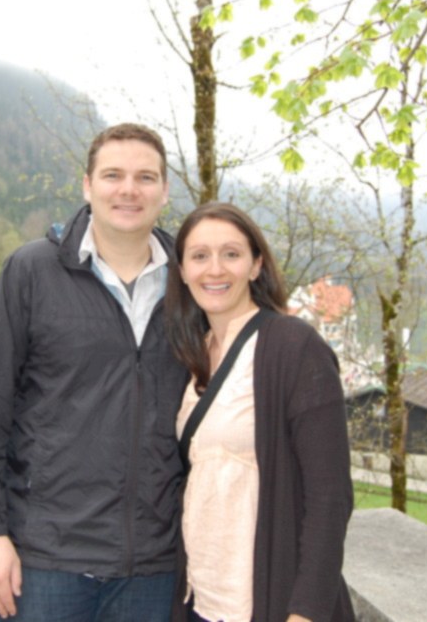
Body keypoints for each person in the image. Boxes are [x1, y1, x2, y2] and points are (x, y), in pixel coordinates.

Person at [0, 123, 189, 622]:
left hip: (157, 563)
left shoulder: (193, 285)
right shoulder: (32, 271)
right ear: (87, 185)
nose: (128, 189)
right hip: (46, 561)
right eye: (113, 175)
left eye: (145, 177)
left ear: (165, 191)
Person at [164, 202, 355, 622]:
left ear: (255, 266)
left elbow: (330, 495)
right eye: (199, 256)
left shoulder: (294, 348)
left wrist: (305, 612)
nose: (215, 269)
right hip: (200, 597)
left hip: (268, 602)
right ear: (182, 271)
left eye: (231, 254)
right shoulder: (189, 356)